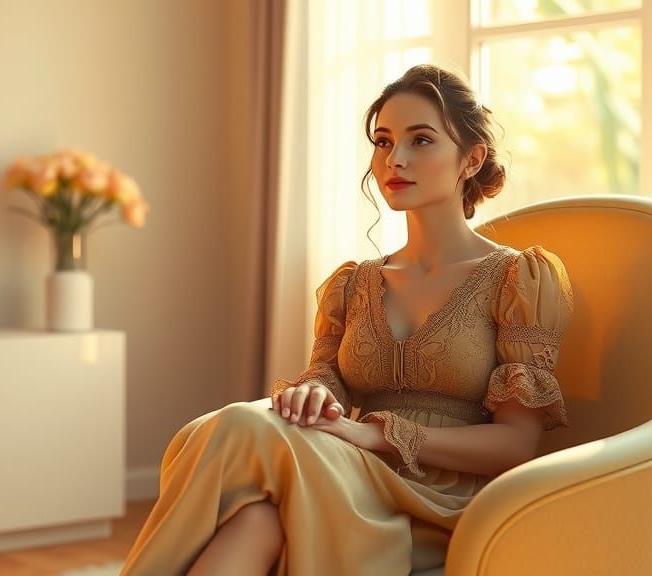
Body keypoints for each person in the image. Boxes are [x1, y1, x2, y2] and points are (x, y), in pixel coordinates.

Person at [120, 63, 574, 576]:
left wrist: (378, 435)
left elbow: (517, 445)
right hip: (342, 475)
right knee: (255, 518)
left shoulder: (519, 280)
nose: (394, 160)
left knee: (235, 426)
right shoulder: (352, 284)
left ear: (471, 159)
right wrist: (312, 397)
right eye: (383, 141)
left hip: (442, 501)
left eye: (420, 141)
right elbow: (326, 383)